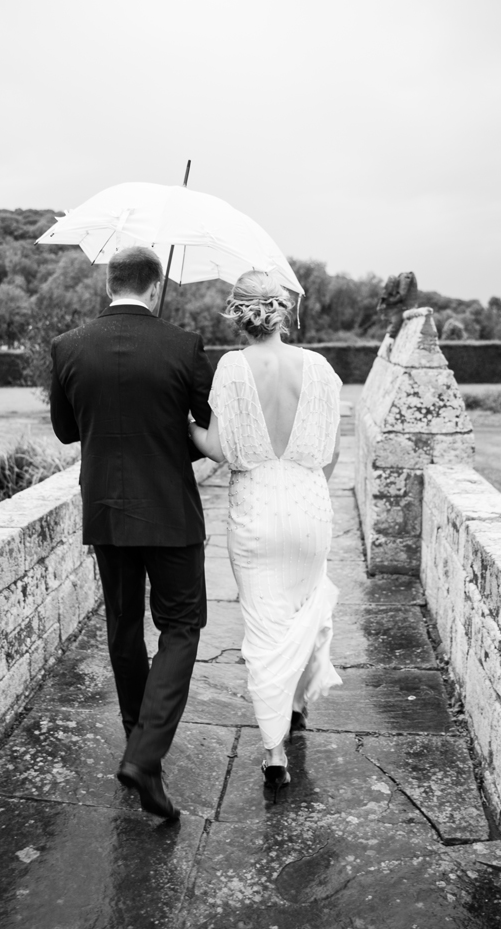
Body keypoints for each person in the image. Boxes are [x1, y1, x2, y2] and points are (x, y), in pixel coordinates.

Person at [50, 246, 214, 819]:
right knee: (182, 627)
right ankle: (144, 756)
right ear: (155, 285)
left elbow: (68, 432)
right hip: (170, 512)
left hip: (107, 513)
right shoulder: (185, 346)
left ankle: (138, 748)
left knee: (123, 627)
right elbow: (206, 428)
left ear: (109, 284)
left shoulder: (68, 347)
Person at [188, 271, 342, 799]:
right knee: (305, 610)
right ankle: (297, 705)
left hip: (255, 510)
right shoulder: (319, 368)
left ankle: (274, 752)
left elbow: (221, 448)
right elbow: (331, 454)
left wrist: (187, 428)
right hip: (308, 508)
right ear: (282, 312)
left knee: (264, 628)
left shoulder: (232, 368)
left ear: (238, 314)